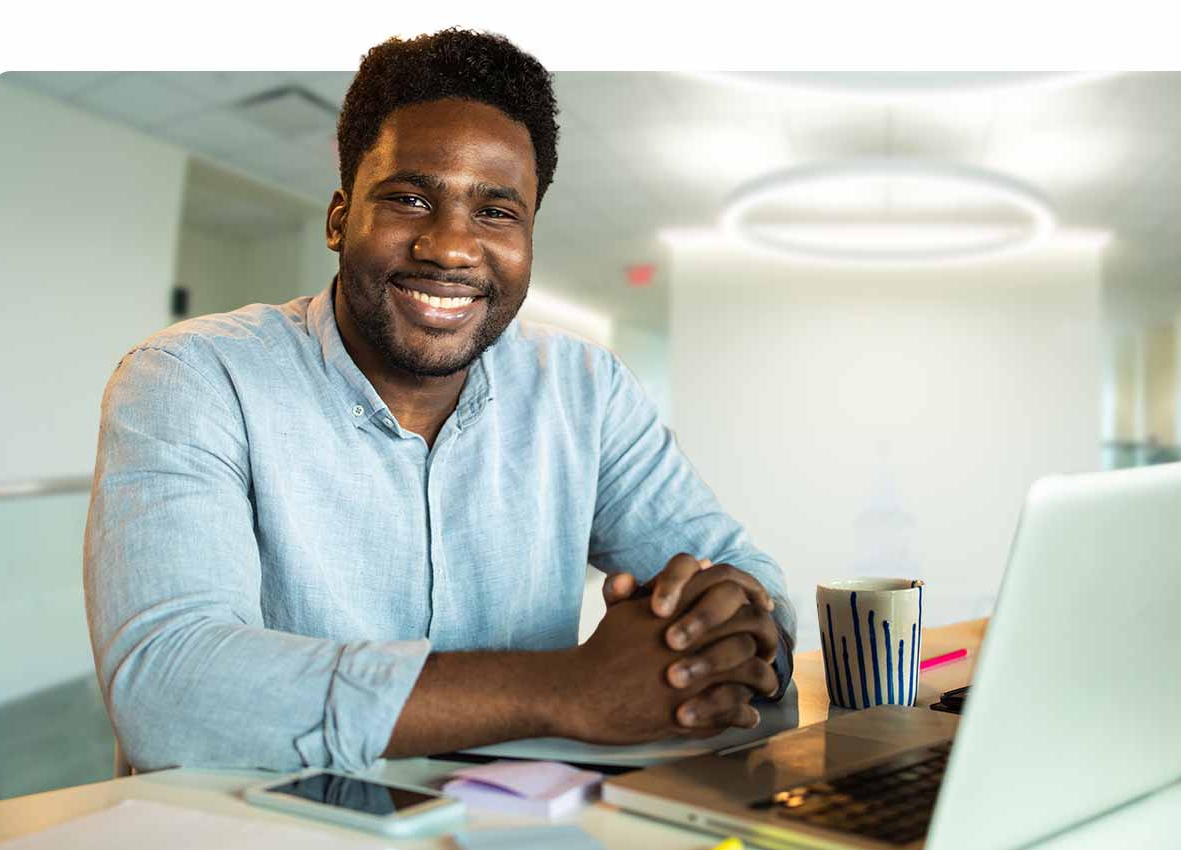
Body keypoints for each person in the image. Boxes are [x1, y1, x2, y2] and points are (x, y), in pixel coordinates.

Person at [83, 28, 795, 773]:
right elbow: (166, 690)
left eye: (496, 213)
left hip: (521, 826)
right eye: (410, 198)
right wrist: (565, 690)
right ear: (338, 219)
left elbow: (748, 579)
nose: (450, 248)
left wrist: (724, 632)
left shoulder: (585, 388)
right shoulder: (190, 377)